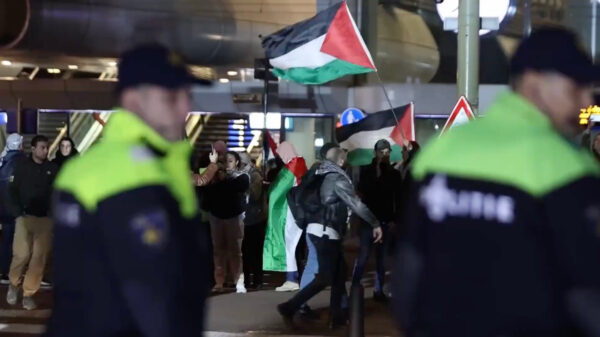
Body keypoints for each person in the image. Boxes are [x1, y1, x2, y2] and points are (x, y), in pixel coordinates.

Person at [393, 28, 600, 337]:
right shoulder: (564, 166)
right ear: (534, 84)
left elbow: (409, 274)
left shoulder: (442, 150)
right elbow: (586, 292)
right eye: (576, 88)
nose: (586, 101)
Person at [44, 44, 211, 337]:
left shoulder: (142, 165)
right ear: (134, 100)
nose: (185, 108)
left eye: (187, 95)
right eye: (171, 96)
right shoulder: (132, 173)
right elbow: (153, 294)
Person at [278, 147, 382, 328]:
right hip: (326, 231)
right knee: (325, 276)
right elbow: (355, 204)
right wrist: (375, 223)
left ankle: (337, 316)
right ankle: (290, 306)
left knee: (340, 272)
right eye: (346, 159)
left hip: (316, 228)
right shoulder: (337, 178)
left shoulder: (317, 173)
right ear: (341, 161)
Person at [6, 135, 57, 310]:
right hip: (24, 218)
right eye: (42, 147)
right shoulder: (21, 167)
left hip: (44, 220)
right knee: (21, 254)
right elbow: (11, 191)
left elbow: (57, 192)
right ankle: (13, 284)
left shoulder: (52, 169)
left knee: (39, 258)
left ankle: (29, 293)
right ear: (33, 149)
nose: (45, 150)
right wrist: (17, 213)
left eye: (46, 147)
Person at [351, 139, 402, 302]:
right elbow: (362, 194)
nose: (384, 155)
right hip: (369, 220)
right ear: (375, 153)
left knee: (381, 258)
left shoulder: (394, 174)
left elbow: (397, 198)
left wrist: (395, 219)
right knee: (364, 254)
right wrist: (377, 175)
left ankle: (378, 291)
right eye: (381, 152)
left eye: (387, 152)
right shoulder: (366, 171)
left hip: (385, 220)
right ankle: (354, 286)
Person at [204, 151, 250, 294]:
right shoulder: (215, 177)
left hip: (234, 217)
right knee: (218, 251)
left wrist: (223, 180)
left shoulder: (242, 176)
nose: (226, 164)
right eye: (224, 161)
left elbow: (237, 187)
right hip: (216, 216)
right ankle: (219, 282)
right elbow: (208, 191)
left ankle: (239, 281)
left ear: (237, 162)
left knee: (235, 251)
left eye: (230, 160)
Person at [240, 153, 267, 289]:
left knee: (254, 251)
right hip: (246, 218)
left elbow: (255, 194)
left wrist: (242, 184)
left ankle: (257, 280)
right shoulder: (243, 174)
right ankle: (248, 280)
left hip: (255, 219)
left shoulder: (254, 175)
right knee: (246, 252)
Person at [0, 134, 25, 284]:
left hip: (3, 209)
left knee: (6, 241)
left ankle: (4, 272)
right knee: (21, 243)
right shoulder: (22, 162)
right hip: (18, 210)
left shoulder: (2, 161)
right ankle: (15, 273)